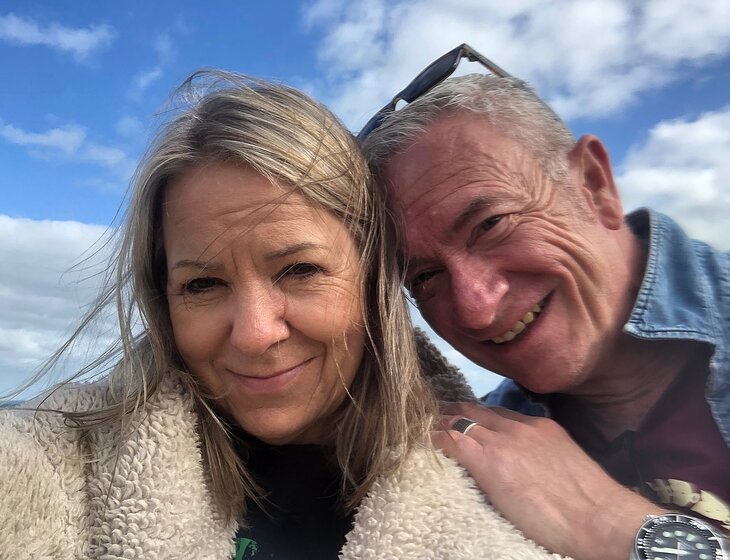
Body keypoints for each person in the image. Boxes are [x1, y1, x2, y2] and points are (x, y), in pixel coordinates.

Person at [0, 70, 565, 560]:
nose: (254, 334)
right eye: (202, 284)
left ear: (374, 276)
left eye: (299, 270)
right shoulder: (57, 463)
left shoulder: (512, 486)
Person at [360, 44, 730, 560]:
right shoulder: (472, 451)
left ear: (594, 186)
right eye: (424, 277)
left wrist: (608, 522)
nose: (476, 308)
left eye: (491, 224)